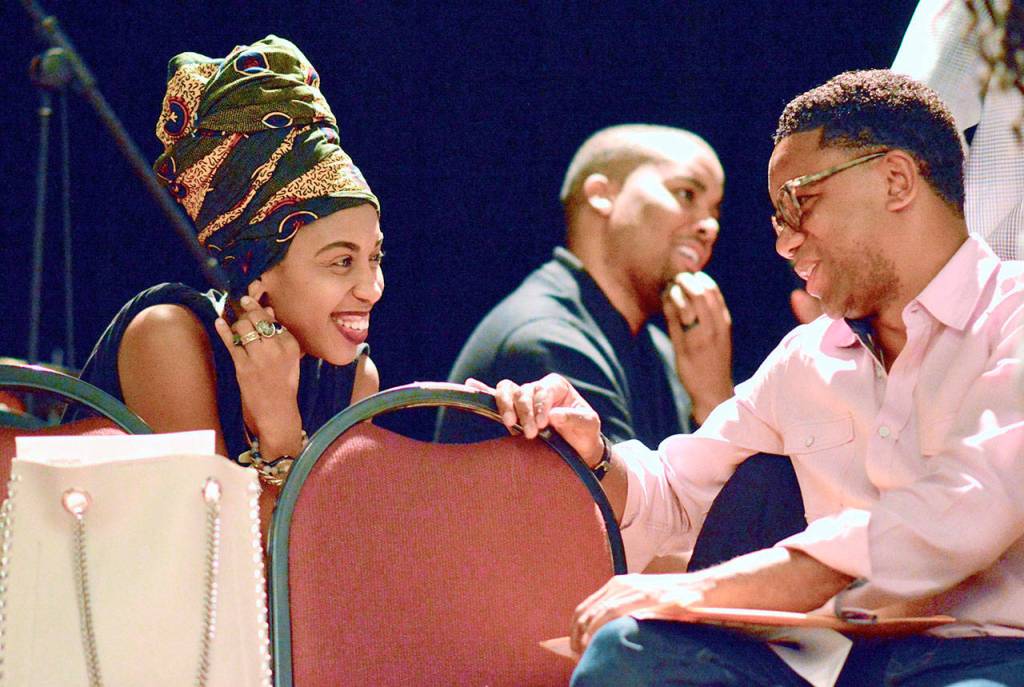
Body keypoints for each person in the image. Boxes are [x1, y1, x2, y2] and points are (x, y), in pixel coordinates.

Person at [483, 69, 1024, 685]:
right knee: (630, 653)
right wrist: (594, 452)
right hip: (832, 664)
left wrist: (698, 592)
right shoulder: (807, 358)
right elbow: (677, 490)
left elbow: (959, 508)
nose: (785, 243)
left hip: (986, 658)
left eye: (799, 202)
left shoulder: (1015, 318)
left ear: (895, 181)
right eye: (776, 218)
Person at [73, 37, 384, 523]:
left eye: (374, 257)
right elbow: (219, 573)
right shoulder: (168, 338)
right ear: (255, 272)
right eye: (341, 262)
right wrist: (279, 432)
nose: (371, 288)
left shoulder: (354, 382)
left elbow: (346, 569)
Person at [436, 124, 733, 448]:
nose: (710, 226)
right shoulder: (546, 340)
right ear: (602, 195)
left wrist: (712, 398)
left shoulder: (660, 351)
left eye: (715, 211)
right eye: (687, 194)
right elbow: (633, 499)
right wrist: (715, 403)